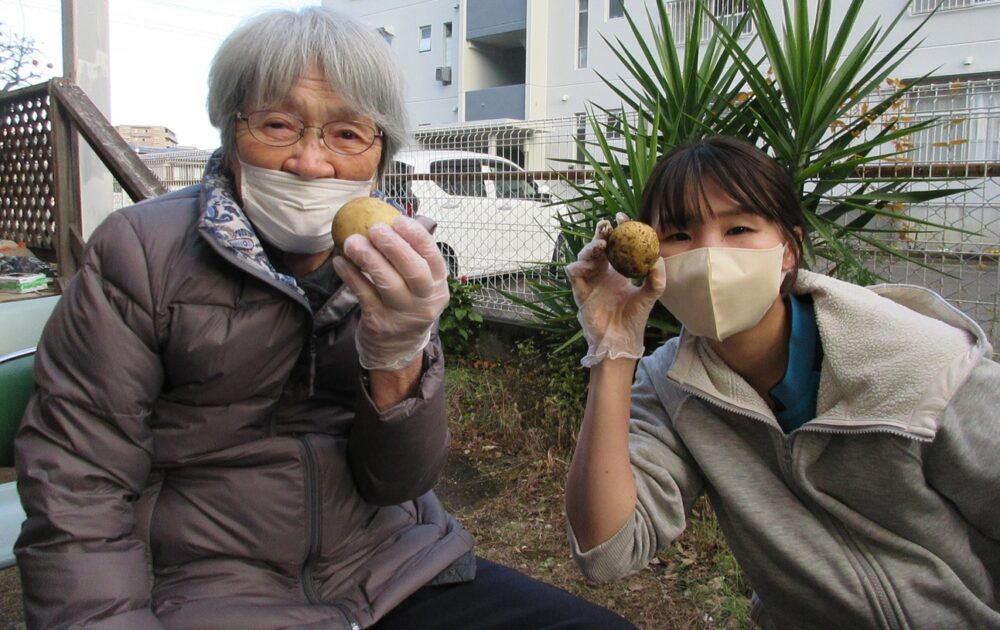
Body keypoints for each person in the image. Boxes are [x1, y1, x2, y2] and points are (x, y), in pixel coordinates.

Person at [14, 8, 634, 629]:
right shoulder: (140, 253)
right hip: (206, 590)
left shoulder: (400, 256)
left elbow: (399, 481)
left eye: (346, 134)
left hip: (389, 569)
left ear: (381, 152)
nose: (311, 163)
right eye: (279, 125)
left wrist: (399, 357)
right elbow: (78, 486)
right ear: (231, 132)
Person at [563, 136, 1000, 629]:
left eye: (740, 228)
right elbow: (607, 552)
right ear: (645, 258)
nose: (710, 254)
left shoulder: (923, 359)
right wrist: (612, 349)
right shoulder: (671, 384)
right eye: (680, 235)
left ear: (788, 249)